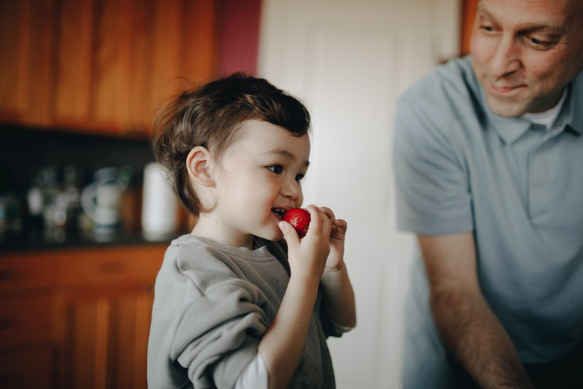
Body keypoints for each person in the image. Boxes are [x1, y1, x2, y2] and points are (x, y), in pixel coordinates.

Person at [393, 0, 583, 388]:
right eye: (489, 28)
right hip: (457, 359)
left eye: (538, 39)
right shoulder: (429, 109)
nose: (498, 66)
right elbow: (454, 289)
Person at [146, 73, 356, 389]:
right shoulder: (196, 275)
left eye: (299, 175)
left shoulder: (279, 250)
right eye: (276, 168)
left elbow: (342, 322)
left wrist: (329, 267)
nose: (294, 191)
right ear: (204, 169)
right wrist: (305, 277)